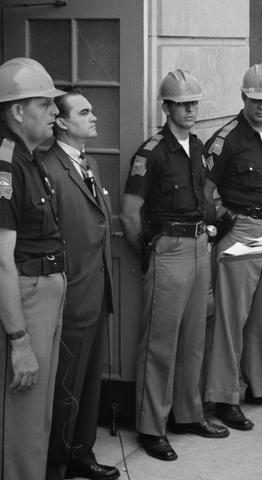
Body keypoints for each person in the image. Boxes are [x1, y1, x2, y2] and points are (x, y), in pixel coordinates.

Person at [120, 70, 229, 462]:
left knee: (194, 338)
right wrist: (153, 254)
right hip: (168, 249)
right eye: (182, 104)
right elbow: (130, 215)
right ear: (166, 107)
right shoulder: (151, 152)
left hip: (201, 246)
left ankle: (188, 414)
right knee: (159, 344)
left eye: (194, 103)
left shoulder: (198, 147)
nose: (190, 110)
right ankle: (152, 426)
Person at [203, 63, 262, 430]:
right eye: (257, 99)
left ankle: (261, 384)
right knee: (231, 318)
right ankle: (224, 396)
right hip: (241, 230)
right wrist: (222, 220)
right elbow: (203, 190)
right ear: (243, 97)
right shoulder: (227, 138)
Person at [43, 89, 119, 480]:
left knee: (89, 383)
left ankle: (80, 454)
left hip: (96, 291)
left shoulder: (88, 163)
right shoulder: (48, 168)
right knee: (64, 385)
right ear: (60, 121)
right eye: (84, 112)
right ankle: (57, 462)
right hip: (70, 294)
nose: (93, 117)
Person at [0, 58, 67, 479]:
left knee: (41, 409)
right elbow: (0, 260)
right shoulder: (7, 163)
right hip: (26, 294)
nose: (56, 112)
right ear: (18, 111)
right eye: (46, 104)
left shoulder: (31, 157)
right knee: (23, 416)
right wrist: (19, 339)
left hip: (47, 291)